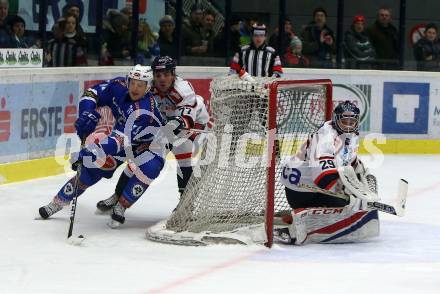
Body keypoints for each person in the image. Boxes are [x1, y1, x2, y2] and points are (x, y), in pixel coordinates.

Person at [38, 65, 176, 228]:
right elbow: (92, 93)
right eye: (132, 83)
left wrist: (90, 151)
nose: (135, 88)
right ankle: (58, 202)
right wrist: (86, 112)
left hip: (152, 144)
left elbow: (119, 141)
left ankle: (121, 206)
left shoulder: (145, 110)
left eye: (140, 85)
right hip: (123, 138)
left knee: (149, 168)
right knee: (92, 168)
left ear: (148, 87)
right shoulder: (117, 86)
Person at [95, 56, 209, 212]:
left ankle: (185, 205)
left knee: (183, 158)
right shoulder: (148, 85)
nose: (162, 79)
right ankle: (117, 196)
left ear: (173, 74)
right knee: (138, 159)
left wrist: (176, 123)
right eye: (158, 75)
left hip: (193, 122)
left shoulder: (183, 90)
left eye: (166, 74)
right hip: (163, 123)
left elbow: (186, 119)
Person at [277, 101, 379, 245]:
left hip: (312, 186)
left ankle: (308, 215)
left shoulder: (350, 135)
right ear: (337, 120)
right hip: (301, 191)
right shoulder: (324, 139)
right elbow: (324, 179)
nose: (349, 125)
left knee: (350, 199)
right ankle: (298, 219)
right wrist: (349, 195)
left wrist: (362, 177)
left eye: (352, 121)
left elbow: (349, 161)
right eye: (345, 121)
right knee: (344, 203)